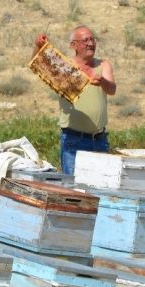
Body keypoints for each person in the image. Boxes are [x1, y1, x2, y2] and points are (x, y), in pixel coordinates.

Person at [33, 25, 116, 175]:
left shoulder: (103, 65)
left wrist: (103, 81)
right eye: (85, 40)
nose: (91, 43)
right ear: (74, 45)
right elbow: (39, 63)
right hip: (73, 139)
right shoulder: (65, 68)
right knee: (74, 190)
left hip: (99, 140)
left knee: (100, 188)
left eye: (92, 39)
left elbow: (112, 90)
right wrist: (38, 46)